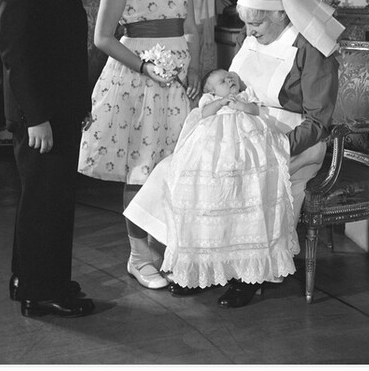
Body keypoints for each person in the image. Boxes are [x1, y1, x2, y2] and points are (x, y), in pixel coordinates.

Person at [124, 0, 344, 308]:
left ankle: (250, 274)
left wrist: (276, 143)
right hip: (240, 127)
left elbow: (318, 121)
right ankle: (204, 266)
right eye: (247, 24)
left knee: (244, 177)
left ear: (280, 14)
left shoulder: (310, 48)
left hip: (290, 134)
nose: (249, 32)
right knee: (183, 170)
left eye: (256, 24)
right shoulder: (252, 34)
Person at [77, 0, 202, 290]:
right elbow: (102, 38)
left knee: (175, 169)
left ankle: (166, 249)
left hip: (179, 81)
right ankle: (138, 256)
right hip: (138, 80)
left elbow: (192, 28)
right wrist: (145, 66)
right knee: (141, 168)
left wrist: (195, 65)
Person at [0, 0, 97, 318]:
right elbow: (15, 52)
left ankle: (33, 278)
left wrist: (79, 103)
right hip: (41, 114)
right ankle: (42, 292)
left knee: (49, 199)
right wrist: (36, 116)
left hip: (58, 107)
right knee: (45, 202)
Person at [123, 68, 297, 303]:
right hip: (213, 147)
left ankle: (248, 274)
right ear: (210, 91)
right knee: (199, 188)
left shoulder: (245, 97)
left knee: (243, 184)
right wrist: (222, 102)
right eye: (222, 82)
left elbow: (256, 110)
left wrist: (243, 106)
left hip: (244, 146)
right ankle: (198, 271)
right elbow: (203, 114)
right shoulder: (211, 101)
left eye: (230, 78)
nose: (229, 80)